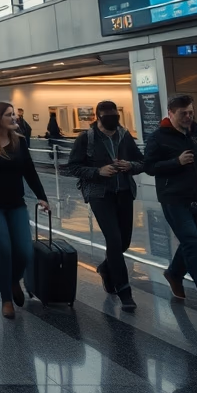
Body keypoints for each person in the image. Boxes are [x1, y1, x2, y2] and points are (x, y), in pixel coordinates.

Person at [143, 94, 197, 316]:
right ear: (171, 113)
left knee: (193, 241)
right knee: (191, 240)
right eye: (183, 113)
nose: (188, 116)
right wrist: (175, 162)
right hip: (175, 199)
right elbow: (149, 166)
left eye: (191, 112)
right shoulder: (158, 137)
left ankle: (174, 273)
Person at [0, 102, 50, 319]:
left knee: (24, 251)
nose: (14, 118)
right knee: (4, 249)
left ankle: (14, 280)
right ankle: (6, 299)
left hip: (16, 204)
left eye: (14, 114)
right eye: (9, 114)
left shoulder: (19, 141)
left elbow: (29, 170)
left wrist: (42, 196)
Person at [64, 100, 144, 312]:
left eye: (114, 115)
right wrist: (98, 172)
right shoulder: (86, 138)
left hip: (125, 192)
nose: (112, 119)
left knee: (124, 242)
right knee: (114, 239)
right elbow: (73, 167)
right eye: (107, 115)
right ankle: (124, 291)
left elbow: (141, 161)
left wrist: (130, 166)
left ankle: (106, 268)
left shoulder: (124, 135)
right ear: (97, 117)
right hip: (101, 195)